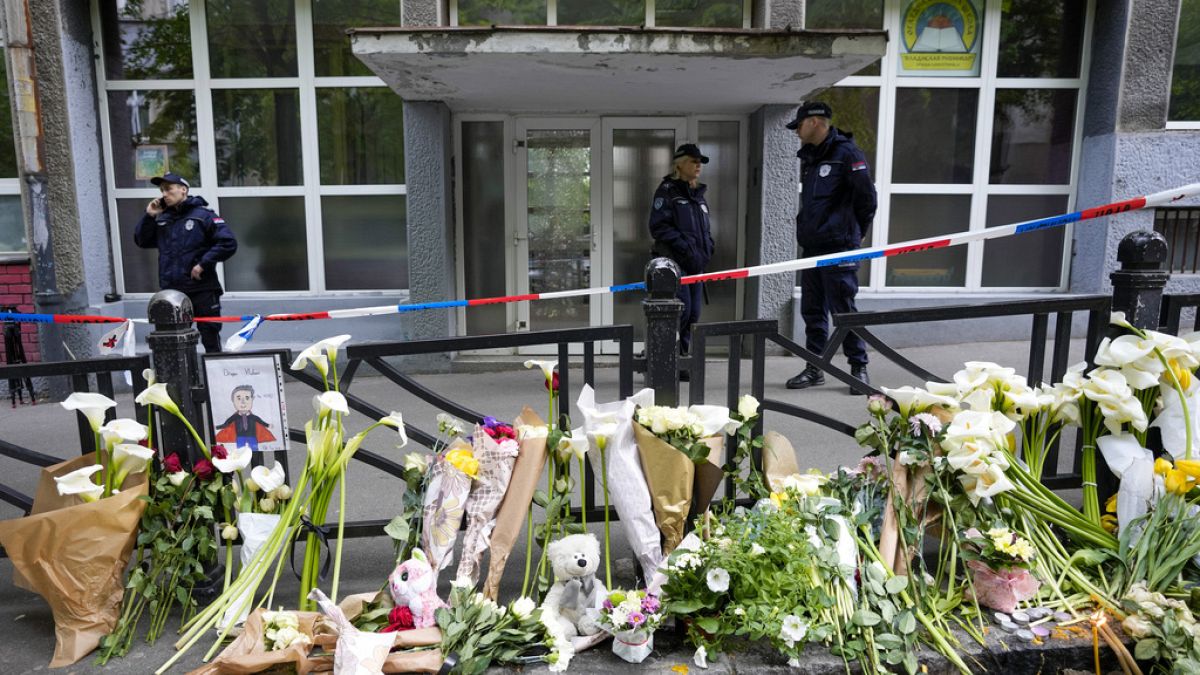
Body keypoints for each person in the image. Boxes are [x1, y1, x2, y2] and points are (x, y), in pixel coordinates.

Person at [784, 102, 877, 391]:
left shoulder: (847, 154)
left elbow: (867, 200)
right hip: (813, 249)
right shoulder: (812, 158)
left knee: (843, 309)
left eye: (799, 125)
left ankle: (858, 368)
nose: (797, 132)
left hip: (839, 248)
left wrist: (855, 235)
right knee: (812, 310)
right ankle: (815, 367)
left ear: (813, 122)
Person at [134, 172, 237, 352]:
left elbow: (228, 243)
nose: (164, 194)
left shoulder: (203, 215)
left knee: (210, 340)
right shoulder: (163, 218)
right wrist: (149, 216)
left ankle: (213, 379)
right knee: (175, 344)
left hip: (202, 290)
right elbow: (141, 241)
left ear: (183, 190)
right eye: (162, 190)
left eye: (169, 189)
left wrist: (203, 264)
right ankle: (184, 380)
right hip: (172, 294)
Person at [648, 143, 715, 367]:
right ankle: (665, 359)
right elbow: (658, 227)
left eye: (700, 163)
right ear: (680, 164)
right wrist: (685, 247)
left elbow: (704, 228)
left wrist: (708, 247)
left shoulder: (698, 195)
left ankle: (682, 359)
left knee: (693, 314)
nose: (698, 166)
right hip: (676, 264)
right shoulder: (667, 191)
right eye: (693, 162)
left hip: (696, 264)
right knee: (680, 312)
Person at [214, 384, 276, 452]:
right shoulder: (235, 417)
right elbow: (226, 424)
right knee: (240, 451)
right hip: (240, 437)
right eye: (239, 398)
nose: (243, 402)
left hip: (252, 436)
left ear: (252, 399)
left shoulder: (253, 417)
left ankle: (255, 458)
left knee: (254, 450)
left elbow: (261, 422)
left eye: (247, 398)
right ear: (233, 400)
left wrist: (268, 425)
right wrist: (217, 427)